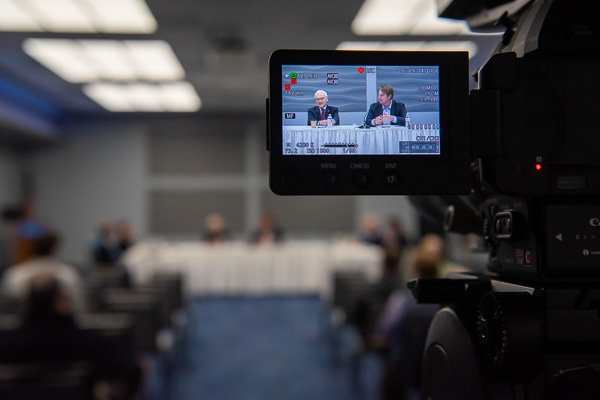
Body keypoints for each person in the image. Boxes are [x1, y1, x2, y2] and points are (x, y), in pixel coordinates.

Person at [1, 231, 86, 315]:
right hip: (58, 322)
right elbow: (78, 308)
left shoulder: (14, 274)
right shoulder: (68, 274)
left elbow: (5, 308)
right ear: (53, 249)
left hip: (22, 322)